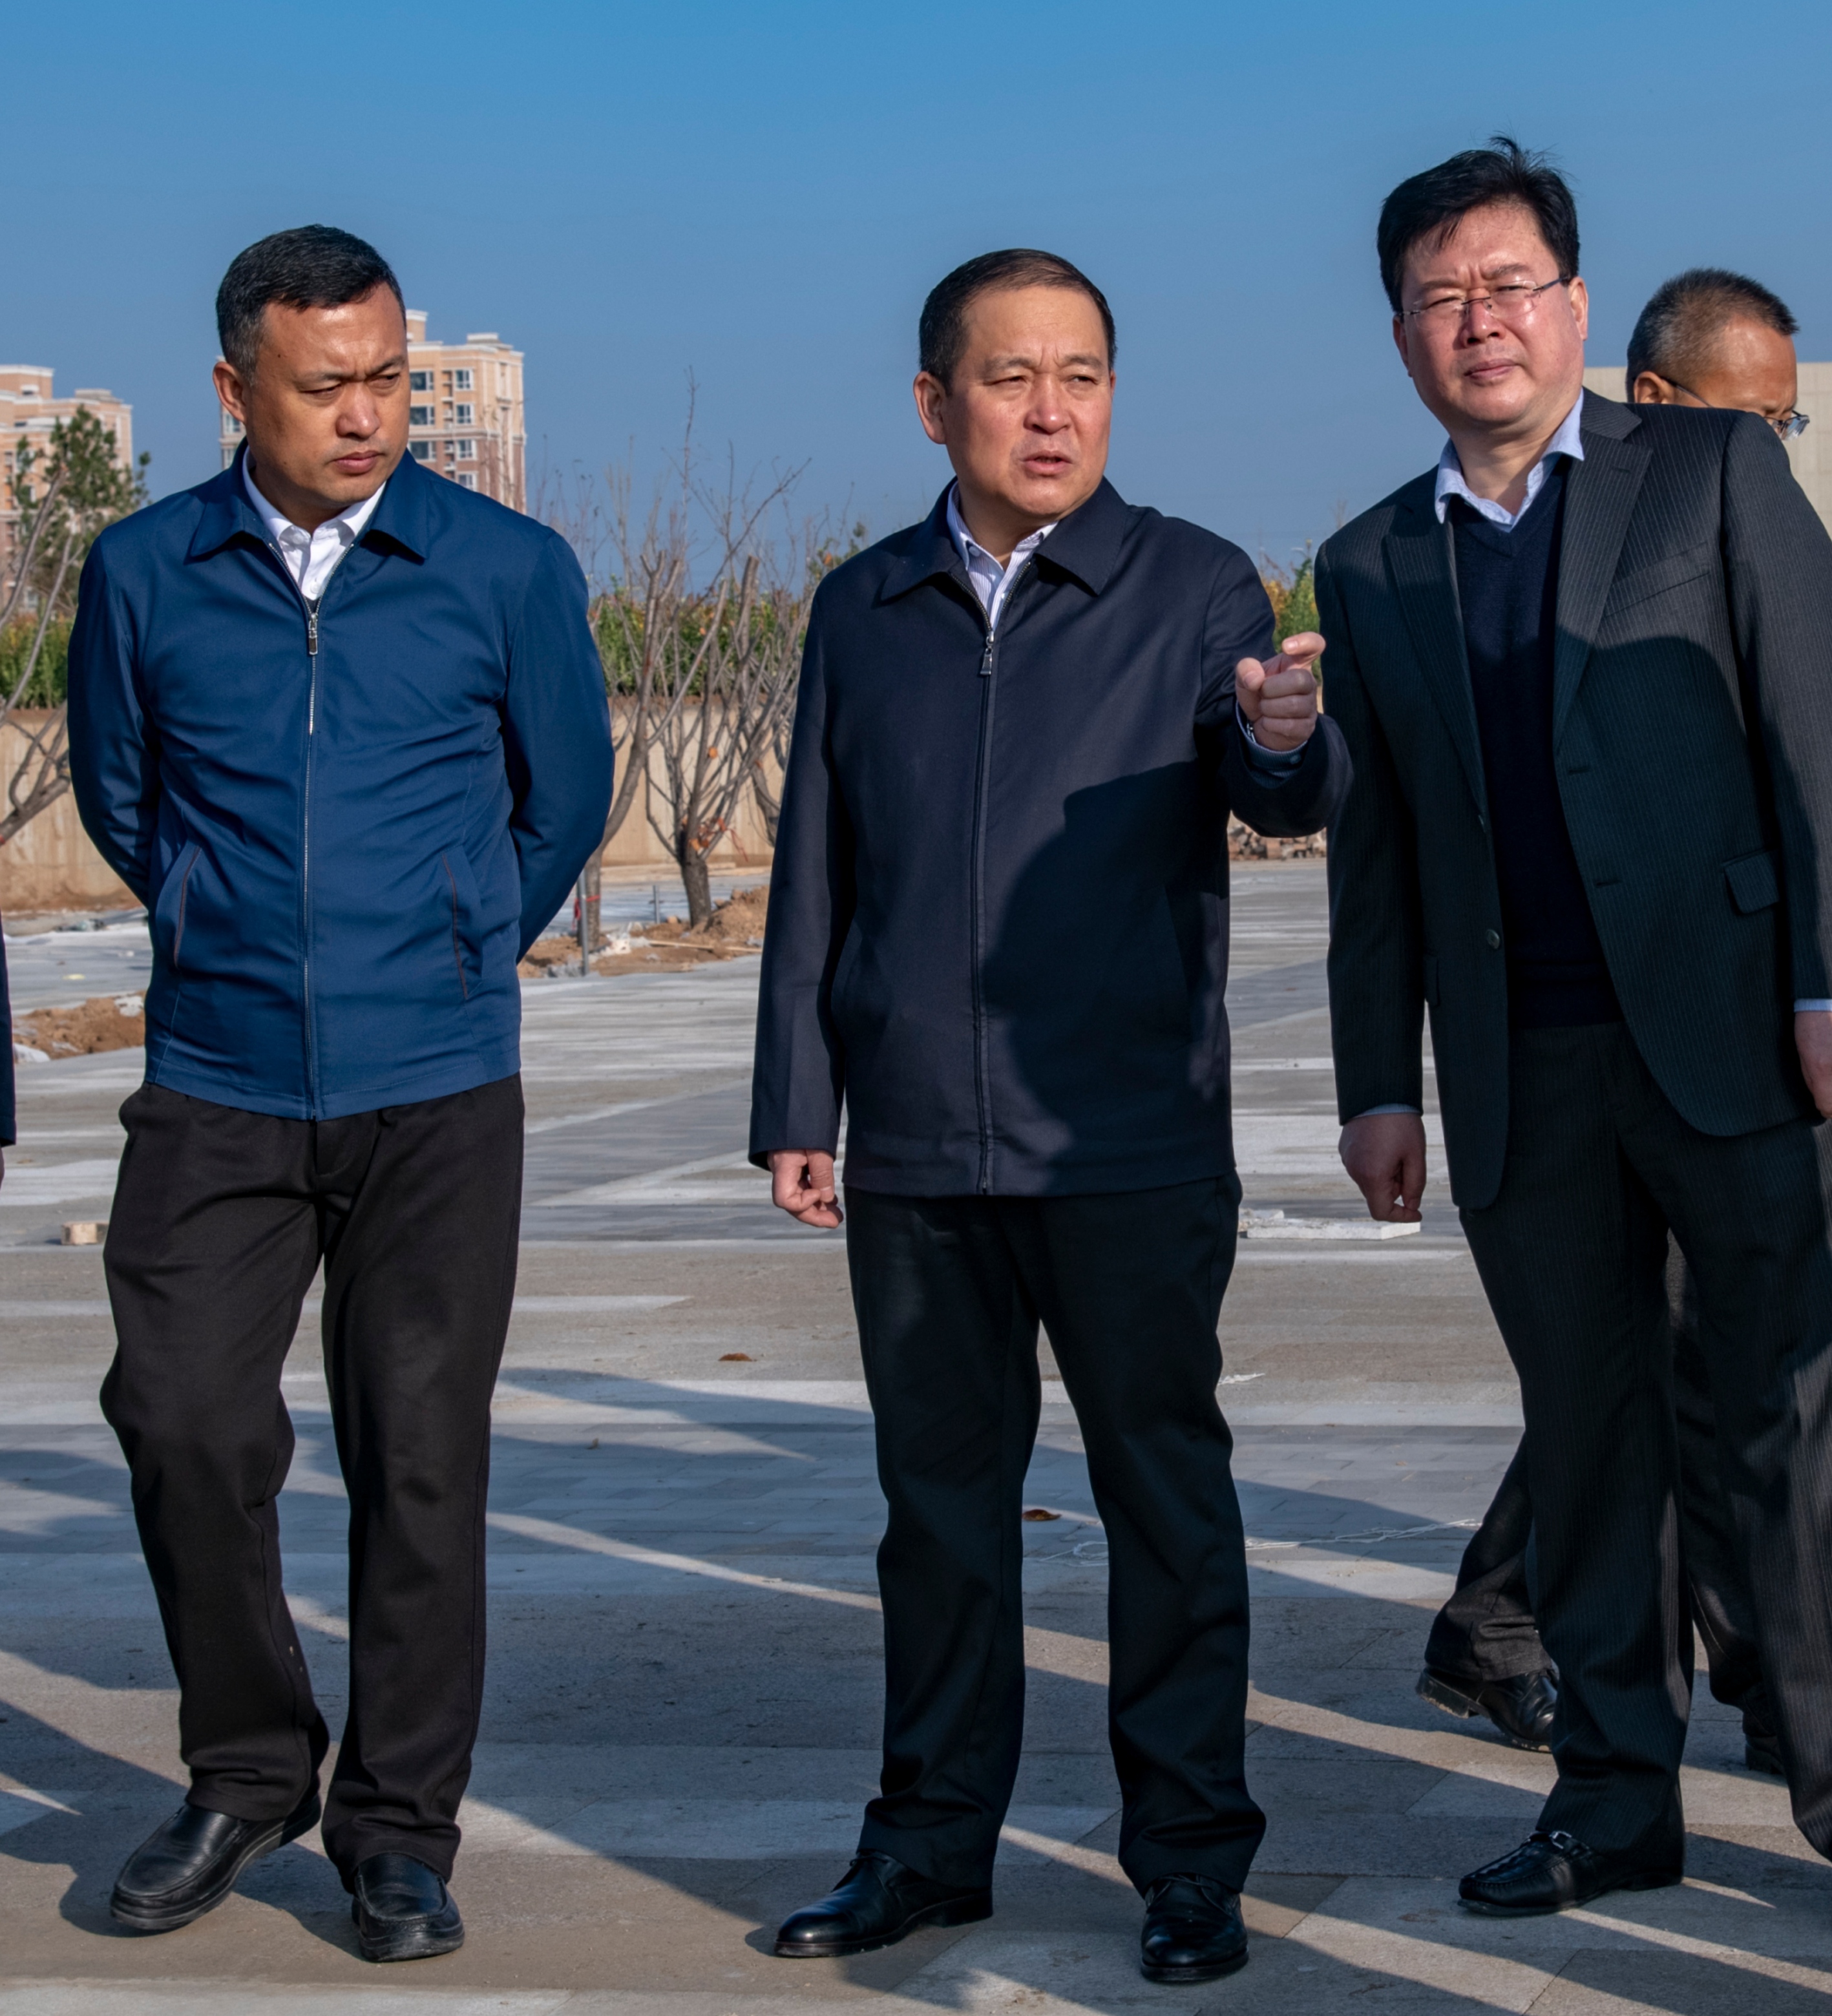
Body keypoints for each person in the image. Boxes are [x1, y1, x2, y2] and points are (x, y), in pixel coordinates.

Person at [750, 248, 1349, 1986]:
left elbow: (1277, 790)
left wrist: (1286, 736)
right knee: (936, 1514)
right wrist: (800, 1097)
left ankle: (1188, 1857)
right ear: (932, 402)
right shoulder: (864, 608)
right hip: (917, 1144)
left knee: (1166, 1502)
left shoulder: (1191, 586)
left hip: (1125, 1141)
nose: (1049, 410)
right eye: (1010, 376)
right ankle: (927, 1844)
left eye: (1079, 375)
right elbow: (814, 870)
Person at [67, 226, 613, 1961]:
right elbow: (122, 794)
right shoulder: (143, 571)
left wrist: (457, 943)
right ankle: (246, 1774)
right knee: (180, 1418)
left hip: (437, 1091)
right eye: (326, 388)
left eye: (387, 378)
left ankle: (397, 1830)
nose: (367, 415)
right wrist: (217, 922)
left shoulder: (504, 568)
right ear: (236, 391)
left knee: (420, 1460)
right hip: (216, 1081)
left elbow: (564, 796)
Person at [1320, 136, 1832, 1917]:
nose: (1480, 321)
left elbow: (1814, 740)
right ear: (1400, 332)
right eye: (1439, 296)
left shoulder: (1706, 471)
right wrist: (1376, 1085)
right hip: (1519, 1074)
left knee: (1787, 1428)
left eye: (1508, 285)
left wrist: (1825, 983)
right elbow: (1373, 853)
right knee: (1590, 1438)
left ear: (1574, 305)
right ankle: (1613, 1801)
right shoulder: (1370, 562)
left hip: (1734, 1044)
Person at [1418, 266, 1810, 1779]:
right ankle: (1730, 1674)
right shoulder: (1550, 550)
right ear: (1656, 401)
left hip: (1736, 1017)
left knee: (1681, 1359)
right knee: (1673, 1364)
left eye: (1785, 422)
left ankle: (1514, 1626)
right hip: (1624, 1031)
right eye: (1754, 418)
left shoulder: (1734, 523)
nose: (1771, 447)